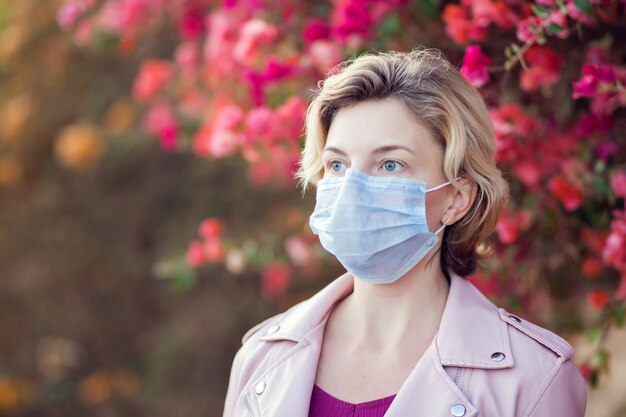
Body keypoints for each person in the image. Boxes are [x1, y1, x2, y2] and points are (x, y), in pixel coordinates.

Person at [222, 47, 587, 417]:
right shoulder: (261, 358)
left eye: (389, 164)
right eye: (337, 164)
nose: (352, 188)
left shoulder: (534, 379)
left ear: (456, 199)